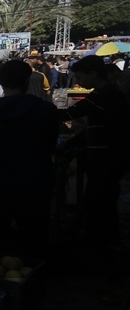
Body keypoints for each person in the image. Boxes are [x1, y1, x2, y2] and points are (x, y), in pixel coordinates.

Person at [0, 60, 59, 250]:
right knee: (33, 236)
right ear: (27, 80)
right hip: (35, 183)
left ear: (0, 82)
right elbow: (50, 145)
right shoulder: (45, 110)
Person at [60, 55, 130, 240]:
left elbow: (70, 113)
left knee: (101, 199)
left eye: (81, 77)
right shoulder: (109, 93)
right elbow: (91, 128)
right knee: (99, 197)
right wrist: (69, 145)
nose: (78, 81)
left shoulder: (103, 95)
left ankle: (100, 239)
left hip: (107, 155)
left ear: (93, 74)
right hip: (108, 154)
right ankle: (102, 235)